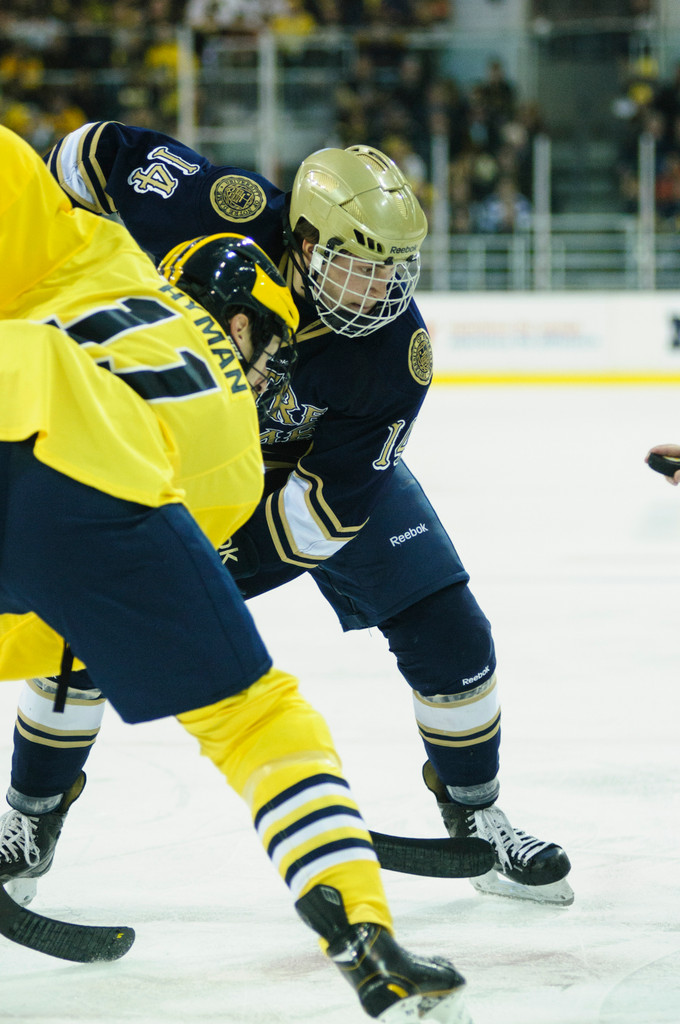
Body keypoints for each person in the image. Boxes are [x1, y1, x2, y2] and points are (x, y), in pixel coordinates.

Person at [1, 119, 573, 910]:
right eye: (356, 267)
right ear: (300, 238)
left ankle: (476, 816)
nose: (381, 294)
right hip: (167, 447)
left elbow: (321, 518)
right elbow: (95, 153)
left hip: (306, 477)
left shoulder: (395, 356)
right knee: (85, 628)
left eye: (396, 272)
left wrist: (205, 572)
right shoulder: (221, 205)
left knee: (450, 629)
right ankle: (29, 823)